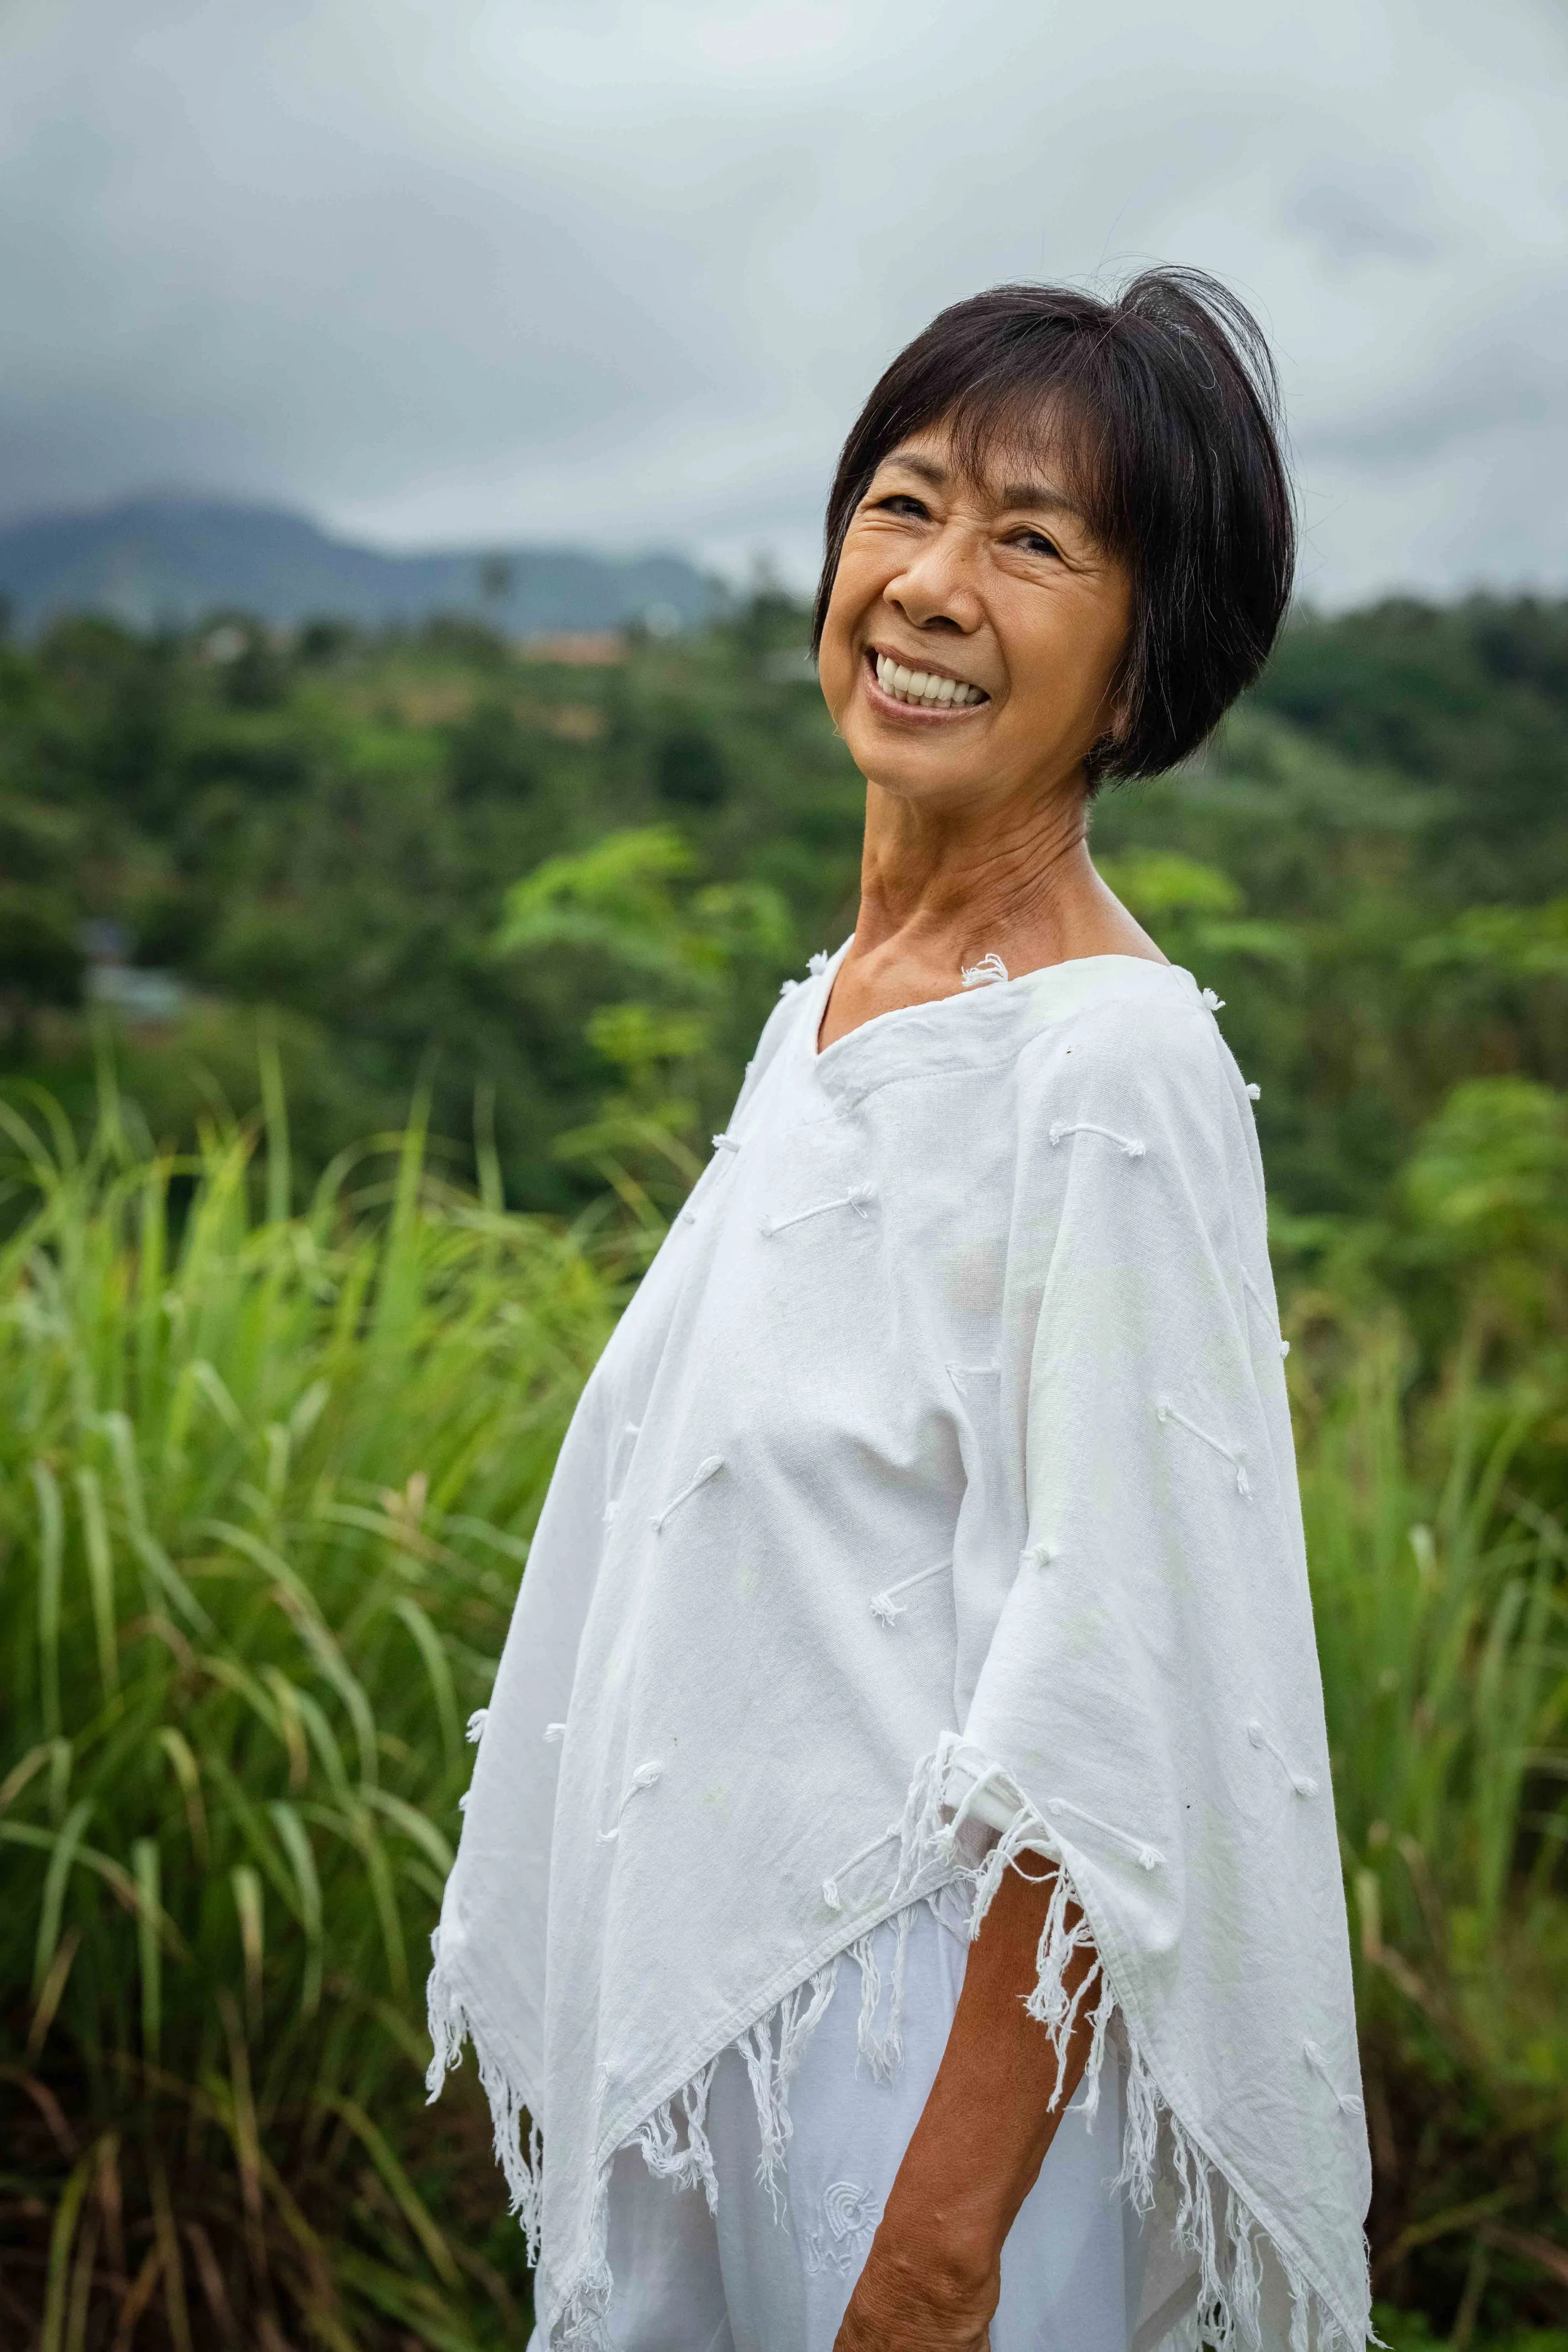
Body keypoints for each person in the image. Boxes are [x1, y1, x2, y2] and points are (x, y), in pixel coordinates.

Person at [428, 270, 1372, 2352]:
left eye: (1031, 541)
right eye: (904, 502)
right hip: (721, 2030)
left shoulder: (1108, 1064)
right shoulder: (832, 1009)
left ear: (1139, 670)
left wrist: (940, 2254)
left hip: (911, 2068)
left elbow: (1111, 1697)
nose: (933, 584)